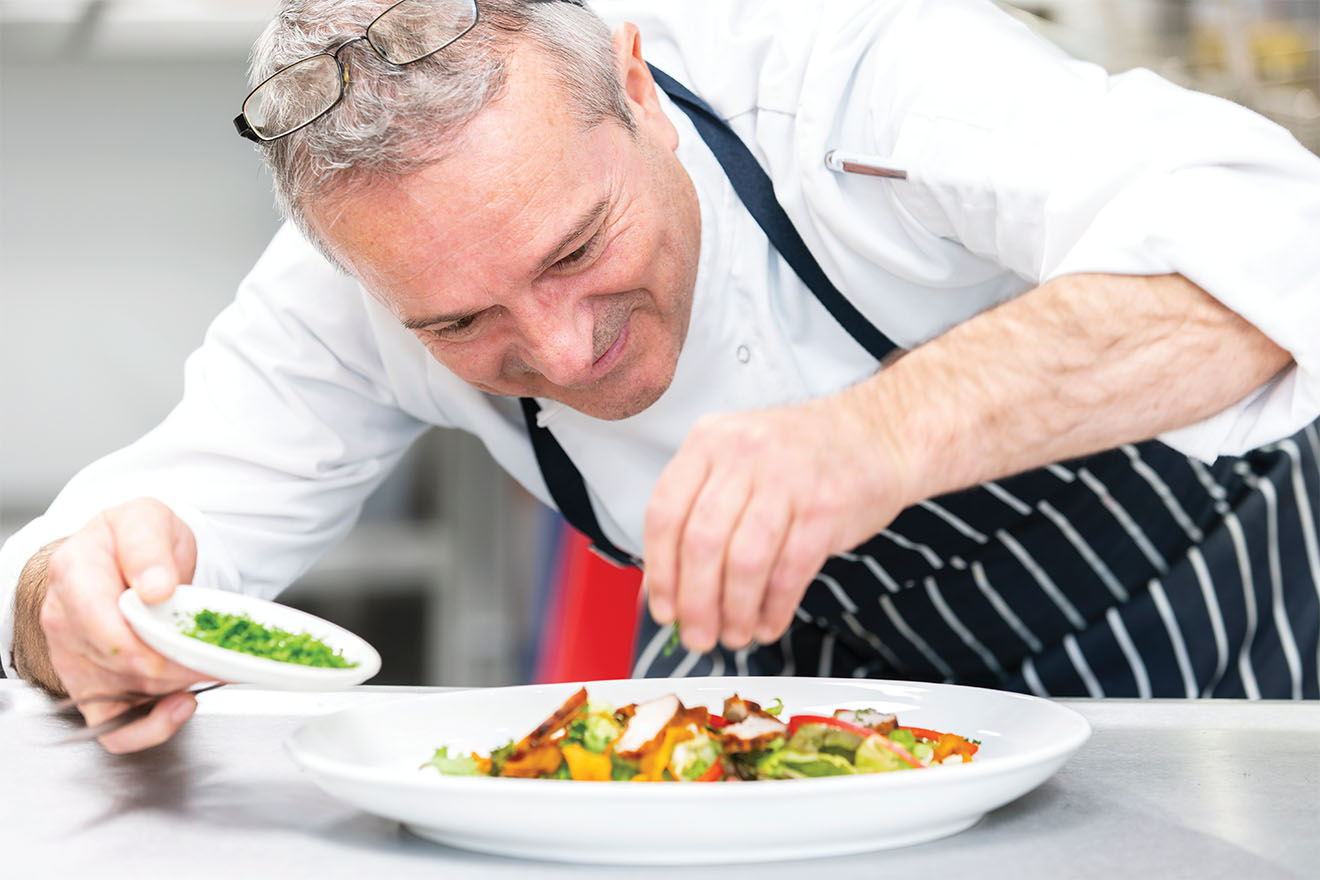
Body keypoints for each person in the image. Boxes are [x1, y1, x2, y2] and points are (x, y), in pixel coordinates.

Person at [4, 0, 1319, 753]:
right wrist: (74, 610)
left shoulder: (848, 70)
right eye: (465, 326)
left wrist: (877, 436)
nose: (563, 353)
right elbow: (97, 555)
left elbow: (1277, 240)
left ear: (635, 86)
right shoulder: (359, 285)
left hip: (1173, 605)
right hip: (788, 665)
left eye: (580, 248)